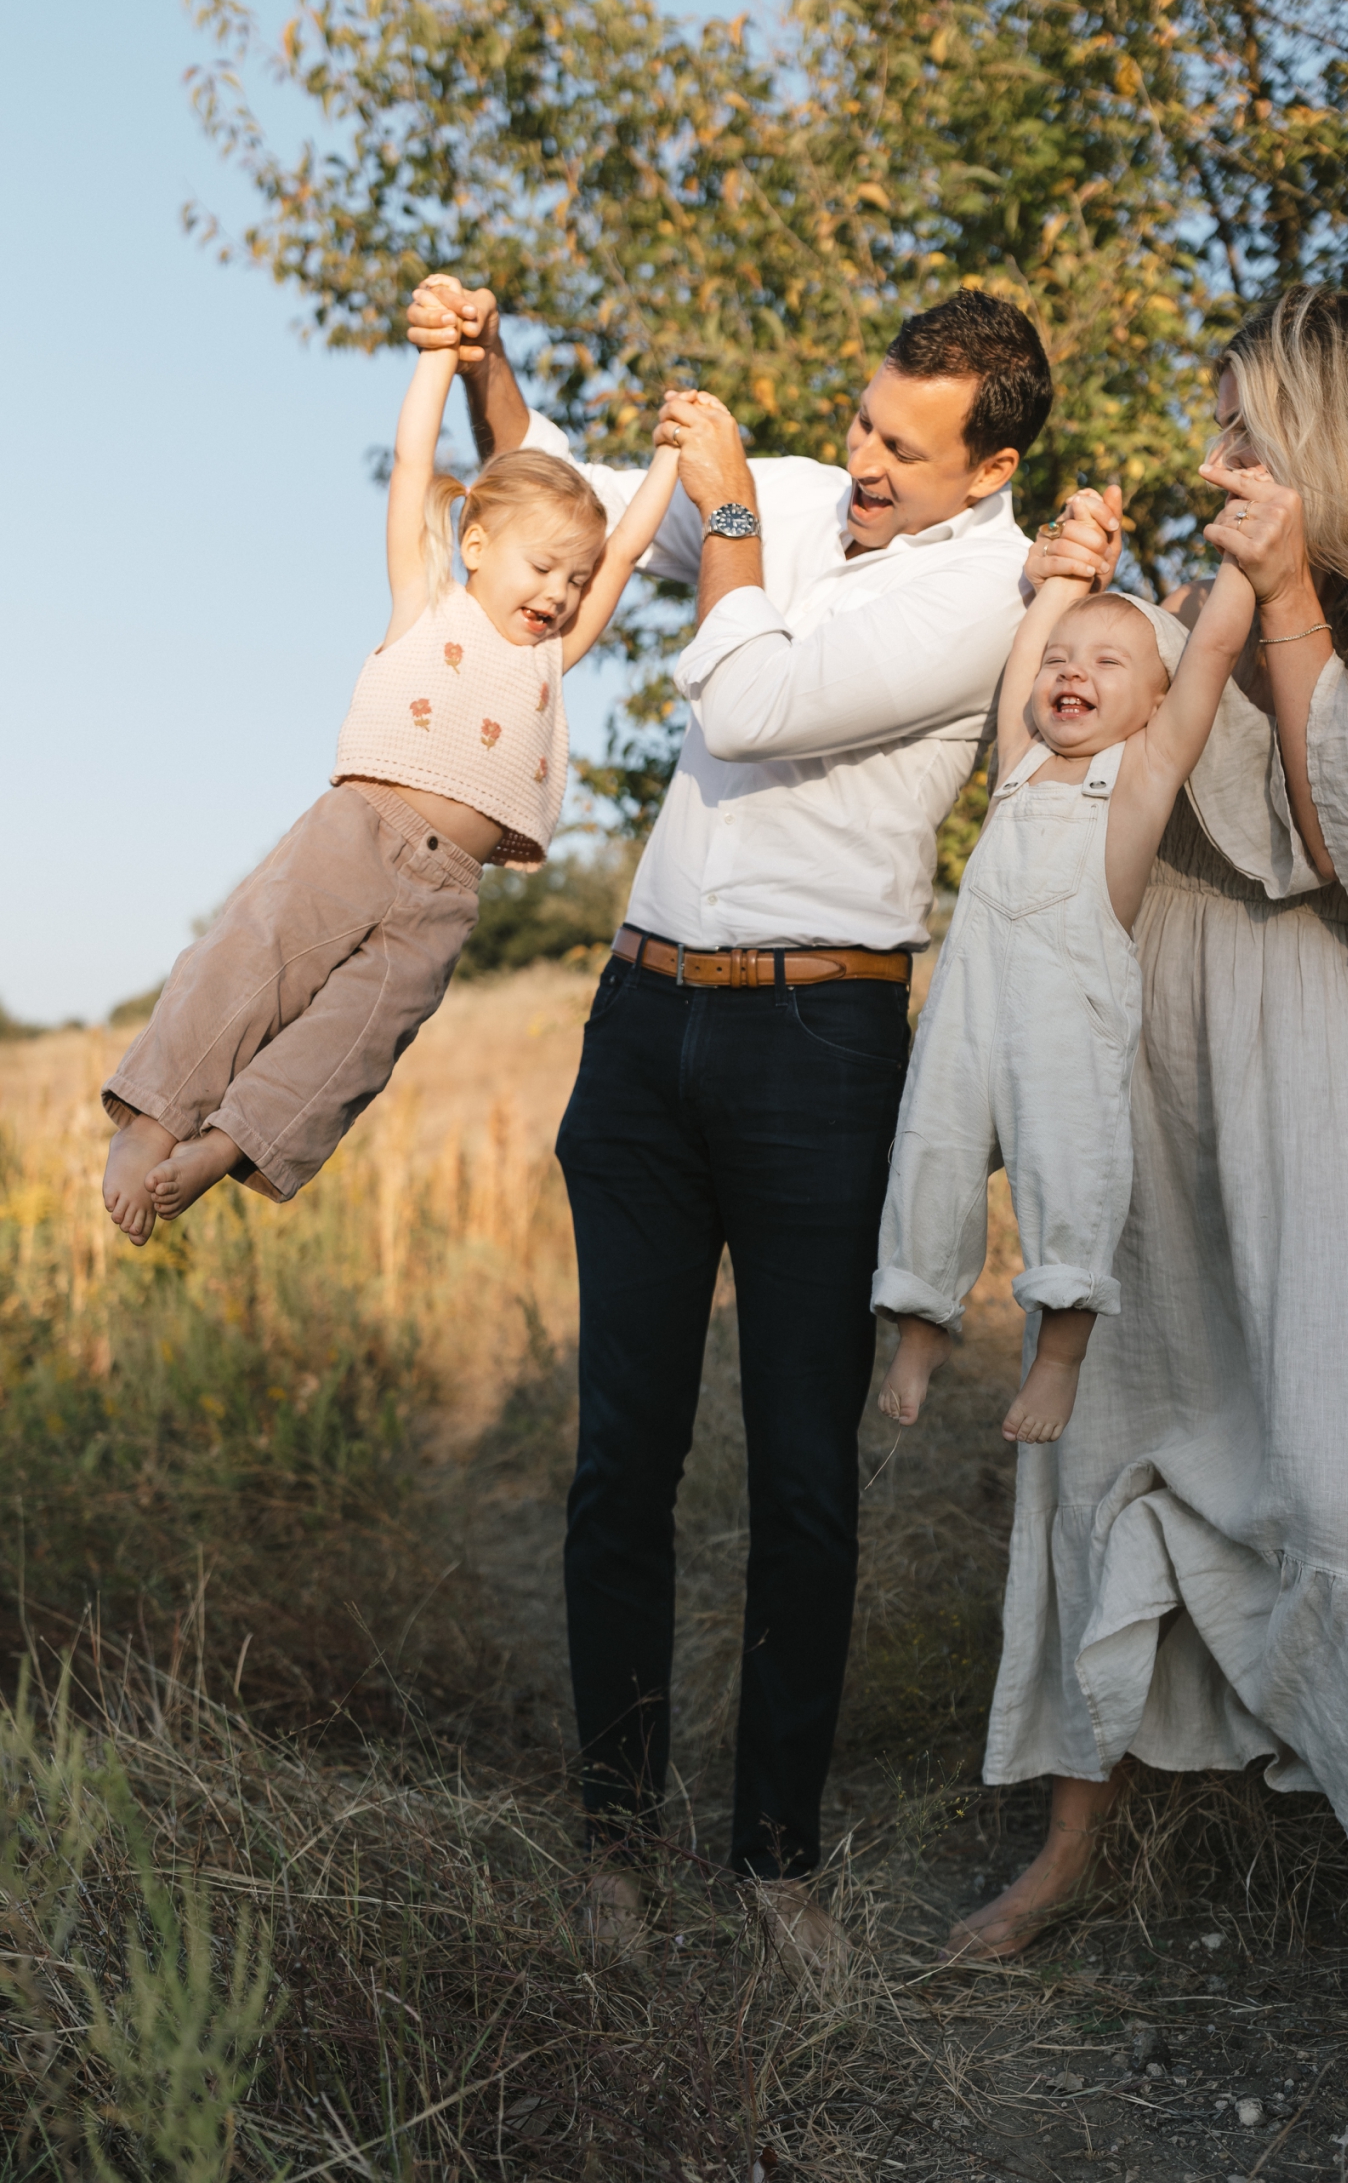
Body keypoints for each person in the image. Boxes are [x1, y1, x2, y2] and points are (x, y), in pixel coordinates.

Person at [405, 275, 1109, 1960]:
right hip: (645, 1023)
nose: (861, 459)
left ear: (989, 466)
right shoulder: (787, 497)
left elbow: (745, 699)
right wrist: (495, 367)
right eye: (862, 419)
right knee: (617, 1458)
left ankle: (777, 1855)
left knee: (803, 1473)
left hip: (822, 1039)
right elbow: (567, 512)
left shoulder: (987, 595)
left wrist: (725, 500)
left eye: (902, 447)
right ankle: (612, 1840)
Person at [945, 288, 1348, 2119]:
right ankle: (1070, 1843)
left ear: (1339, 452)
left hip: (1310, 1075)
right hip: (1149, 1055)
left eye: (1247, 437)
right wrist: (1053, 612)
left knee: (1340, 1487)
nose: (1216, 466)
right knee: (1112, 1439)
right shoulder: (1190, 606)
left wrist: (1289, 602)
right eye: (1217, 434)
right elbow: (1047, 789)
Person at [101, 303, 680, 1244]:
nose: (560, 595)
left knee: (359, 1040)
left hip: (447, 894)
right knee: (249, 965)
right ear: (479, 545)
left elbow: (619, 554)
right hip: (356, 834)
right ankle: (154, 1124)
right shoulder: (427, 600)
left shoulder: (549, 659)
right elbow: (415, 469)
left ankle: (225, 1148)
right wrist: (440, 364)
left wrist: (668, 463)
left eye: (572, 583)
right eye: (544, 569)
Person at [873, 552, 1254, 1440]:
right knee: (930, 1157)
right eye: (1062, 660)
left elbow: (1211, 654)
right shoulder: (1019, 763)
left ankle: (1058, 1359)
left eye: (1109, 663)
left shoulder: (1139, 778)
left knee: (1070, 1177)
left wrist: (1245, 559)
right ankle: (922, 1325)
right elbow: (1023, 659)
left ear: (1155, 701)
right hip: (967, 1021)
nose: (1072, 670)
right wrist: (1062, 582)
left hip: (1065, 1030)